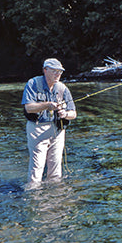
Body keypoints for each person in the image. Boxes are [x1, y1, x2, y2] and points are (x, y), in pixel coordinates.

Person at [22, 58, 77, 187]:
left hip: (57, 130)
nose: (58, 74)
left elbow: (73, 114)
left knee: (56, 168)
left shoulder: (63, 88)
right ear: (45, 70)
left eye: (60, 72)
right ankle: (33, 196)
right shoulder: (33, 83)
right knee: (37, 167)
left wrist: (65, 114)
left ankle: (55, 196)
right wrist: (47, 105)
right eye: (54, 71)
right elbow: (28, 108)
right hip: (37, 129)